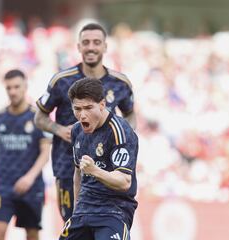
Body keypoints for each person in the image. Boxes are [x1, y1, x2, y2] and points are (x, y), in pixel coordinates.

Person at [34, 22, 136, 222]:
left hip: (106, 166)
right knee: (72, 223)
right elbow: (39, 117)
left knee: (104, 224)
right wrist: (60, 129)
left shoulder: (121, 83)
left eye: (96, 42)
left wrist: (126, 138)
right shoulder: (61, 80)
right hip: (66, 164)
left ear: (105, 47)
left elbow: (130, 115)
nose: (91, 47)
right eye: (86, 42)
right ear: (78, 47)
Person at [59, 78, 138, 240]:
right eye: (77, 109)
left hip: (113, 211)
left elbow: (124, 182)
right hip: (83, 210)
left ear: (102, 105)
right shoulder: (76, 131)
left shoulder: (120, 131)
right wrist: (76, 212)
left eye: (88, 108)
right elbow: (78, 175)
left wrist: (95, 170)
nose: (82, 115)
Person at [0, 69, 51, 240]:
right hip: (3, 186)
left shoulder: (38, 118)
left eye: (16, 87)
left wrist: (29, 177)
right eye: (8, 88)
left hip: (31, 187)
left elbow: (46, 152)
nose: (12, 92)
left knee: (32, 234)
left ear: (25, 87)